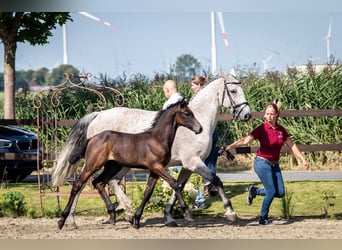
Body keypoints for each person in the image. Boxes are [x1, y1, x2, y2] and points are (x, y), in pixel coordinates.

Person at [224, 100, 309, 225]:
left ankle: (254, 191)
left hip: (275, 164)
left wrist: (303, 159)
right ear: (264, 115)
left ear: (276, 115)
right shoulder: (262, 129)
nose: (269, 116)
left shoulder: (281, 130)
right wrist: (230, 146)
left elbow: (292, 146)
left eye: (272, 114)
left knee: (280, 192)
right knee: (270, 192)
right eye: (267, 114)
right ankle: (263, 218)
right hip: (262, 163)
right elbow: (246, 140)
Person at [162, 79, 207, 209]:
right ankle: (194, 199)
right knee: (188, 173)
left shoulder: (169, 104)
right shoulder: (184, 100)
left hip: (174, 145)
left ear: (167, 90)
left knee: (175, 172)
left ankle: (194, 198)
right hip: (187, 142)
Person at [191, 76, 219, 198]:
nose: (192, 87)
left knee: (200, 159)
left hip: (204, 131)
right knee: (211, 159)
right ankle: (211, 183)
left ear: (199, 85)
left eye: (193, 85)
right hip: (213, 130)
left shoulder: (199, 99)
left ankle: (208, 182)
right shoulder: (211, 97)